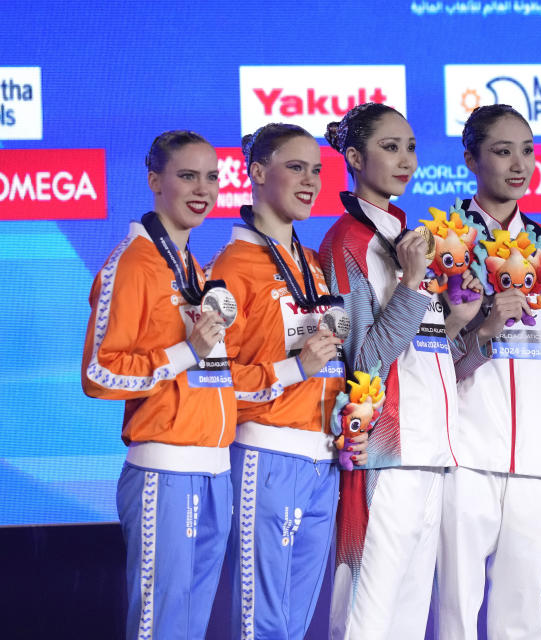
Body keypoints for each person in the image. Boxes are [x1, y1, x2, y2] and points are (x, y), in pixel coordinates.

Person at [435, 105, 541, 640]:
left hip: (539, 460)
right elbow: (432, 368)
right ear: (470, 159)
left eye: (527, 151)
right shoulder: (443, 244)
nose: (518, 164)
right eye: (502, 151)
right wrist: (483, 328)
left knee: (525, 618)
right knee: (456, 614)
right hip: (462, 457)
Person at [318, 102, 479, 640]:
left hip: (432, 451)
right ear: (354, 157)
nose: (406, 159)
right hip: (386, 453)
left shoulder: (412, 238)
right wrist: (412, 284)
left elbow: (424, 353)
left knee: (410, 619)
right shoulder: (347, 243)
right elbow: (363, 363)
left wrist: (462, 321)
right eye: (390, 147)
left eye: (411, 146)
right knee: (369, 619)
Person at [208, 123, 363, 639]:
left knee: (296, 625)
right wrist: (295, 370)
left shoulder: (314, 265)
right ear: (256, 173)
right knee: (263, 624)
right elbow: (214, 379)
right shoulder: (233, 267)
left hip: (323, 458)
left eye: (317, 169)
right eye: (295, 167)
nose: (310, 180)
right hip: (265, 456)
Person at [81, 130, 234, 639]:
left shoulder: (190, 266)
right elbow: (99, 373)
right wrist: (184, 352)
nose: (203, 189)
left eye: (211, 177)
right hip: (164, 471)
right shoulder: (133, 262)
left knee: (189, 627)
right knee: (161, 627)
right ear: (154, 181)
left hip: (215, 468)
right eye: (187, 176)